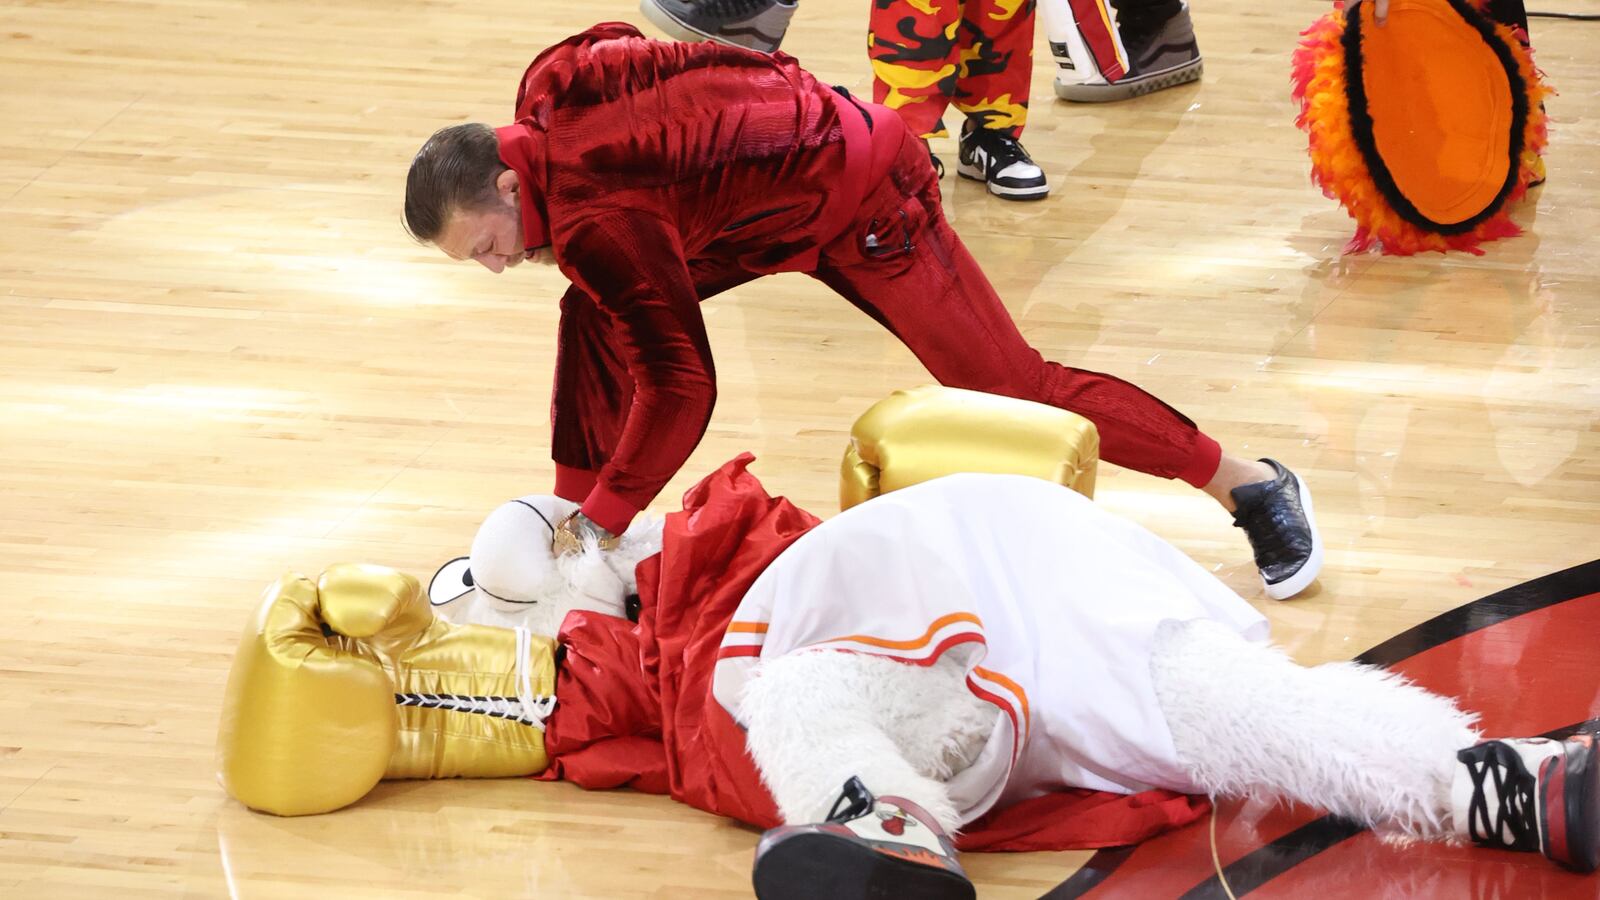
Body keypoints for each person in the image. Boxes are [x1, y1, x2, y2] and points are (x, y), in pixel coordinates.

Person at [401, 22, 1323, 600]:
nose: (496, 266)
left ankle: (1249, 484)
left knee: (1012, 386)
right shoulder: (551, 82)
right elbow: (663, 47)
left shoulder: (603, 221)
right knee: (593, 309)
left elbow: (682, 386)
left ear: (508, 179)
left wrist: (612, 509)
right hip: (774, 185)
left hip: (870, 198)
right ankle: (565, 518)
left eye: (486, 244)